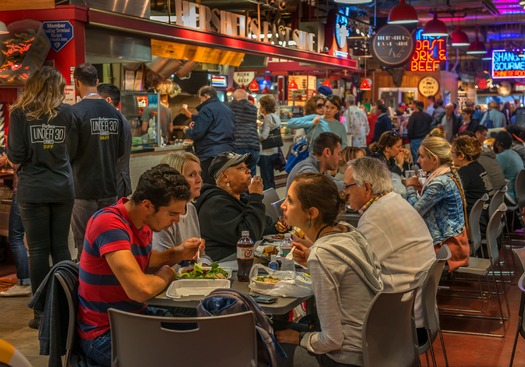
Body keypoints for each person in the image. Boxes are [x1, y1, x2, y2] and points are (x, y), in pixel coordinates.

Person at [77, 164, 204, 367]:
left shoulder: (142, 223)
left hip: (134, 320)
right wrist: (167, 274)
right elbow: (139, 289)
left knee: (205, 333)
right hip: (105, 333)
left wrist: (177, 253)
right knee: (185, 357)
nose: (176, 220)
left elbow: (143, 262)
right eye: (172, 214)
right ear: (147, 205)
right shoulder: (109, 224)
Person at [276, 173, 383, 367]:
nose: (283, 205)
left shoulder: (322, 255)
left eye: (290, 201)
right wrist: (312, 262)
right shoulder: (349, 232)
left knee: (276, 342)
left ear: (312, 212)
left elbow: (332, 340)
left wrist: (298, 338)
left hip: (347, 356)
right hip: (375, 342)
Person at [7, 66, 77, 328]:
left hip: (33, 188)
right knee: (61, 248)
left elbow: (17, 154)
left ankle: (41, 312)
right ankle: (67, 305)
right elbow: (74, 149)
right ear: (57, 88)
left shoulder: (19, 114)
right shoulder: (68, 113)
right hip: (62, 186)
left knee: (37, 250)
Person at [343, 157, 435, 343]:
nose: (344, 193)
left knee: (335, 317)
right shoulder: (393, 202)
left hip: (404, 324)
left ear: (367, 188)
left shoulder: (375, 216)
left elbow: (353, 271)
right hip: (420, 314)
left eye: (347, 187)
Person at [70, 63, 127, 260]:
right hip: (110, 190)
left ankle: (85, 287)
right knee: (108, 243)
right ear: (97, 82)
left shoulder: (74, 112)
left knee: (85, 245)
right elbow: (120, 151)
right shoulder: (115, 113)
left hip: (83, 190)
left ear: (76, 82)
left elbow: (70, 152)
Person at [194, 152, 276, 261]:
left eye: (246, 167)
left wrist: (279, 226)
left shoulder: (242, 199)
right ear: (225, 177)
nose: (249, 170)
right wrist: (255, 197)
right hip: (224, 265)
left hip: (242, 260)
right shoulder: (215, 205)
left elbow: (264, 226)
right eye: (240, 168)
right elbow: (249, 237)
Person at [405, 136, 470, 271]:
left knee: (402, 253)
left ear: (434, 159)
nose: (418, 161)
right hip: (454, 242)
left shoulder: (439, 182)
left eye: (422, 156)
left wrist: (410, 188)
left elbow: (414, 213)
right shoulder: (447, 173)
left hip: (448, 248)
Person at [183, 86, 236, 184]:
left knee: (210, 187)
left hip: (210, 155)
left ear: (206, 96)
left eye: (201, 98)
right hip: (228, 152)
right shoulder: (227, 109)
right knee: (224, 185)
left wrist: (187, 131)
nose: (200, 101)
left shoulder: (206, 109)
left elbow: (197, 133)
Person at [152, 152, 203, 252]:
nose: (199, 180)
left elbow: (200, 255)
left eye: (200, 174)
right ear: (175, 179)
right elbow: (164, 263)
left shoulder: (191, 208)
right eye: (192, 175)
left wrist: (205, 264)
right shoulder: (162, 212)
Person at [0, 162, 31, 298]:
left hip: (23, 189)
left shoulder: (20, 141)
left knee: (16, 236)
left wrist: (7, 159)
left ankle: (24, 282)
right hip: (46, 189)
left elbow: (16, 162)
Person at [97, 83, 132, 198]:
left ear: (108, 100)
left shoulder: (116, 121)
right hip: (115, 181)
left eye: (97, 100)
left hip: (116, 182)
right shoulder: (119, 119)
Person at [451, 136, 493, 214]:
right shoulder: (477, 166)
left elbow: (450, 194)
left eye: (452, 152)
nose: (450, 155)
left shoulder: (465, 172)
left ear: (461, 156)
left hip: (476, 218)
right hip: (485, 213)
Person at [228, 89, 260, 176]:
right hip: (254, 146)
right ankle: (252, 190)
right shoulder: (253, 108)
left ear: (234, 99)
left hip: (238, 145)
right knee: (250, 177)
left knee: (238, 177)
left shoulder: (231, 106)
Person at [258, 95, 282, 190]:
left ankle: (268, 202)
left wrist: (253, 136)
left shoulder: (268, 117)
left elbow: (264, 136)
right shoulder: (275, 116)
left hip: (266, 153)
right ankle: (273, 199)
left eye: (261, 105)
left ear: (264, 106)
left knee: (266, 180)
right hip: (274, 151)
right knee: (271, 179)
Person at [493, 131, 524, 202]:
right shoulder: (515, 154)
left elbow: (492, 176)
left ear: (497, 143)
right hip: (519, 195)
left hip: (509, 196)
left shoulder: (501, 157)